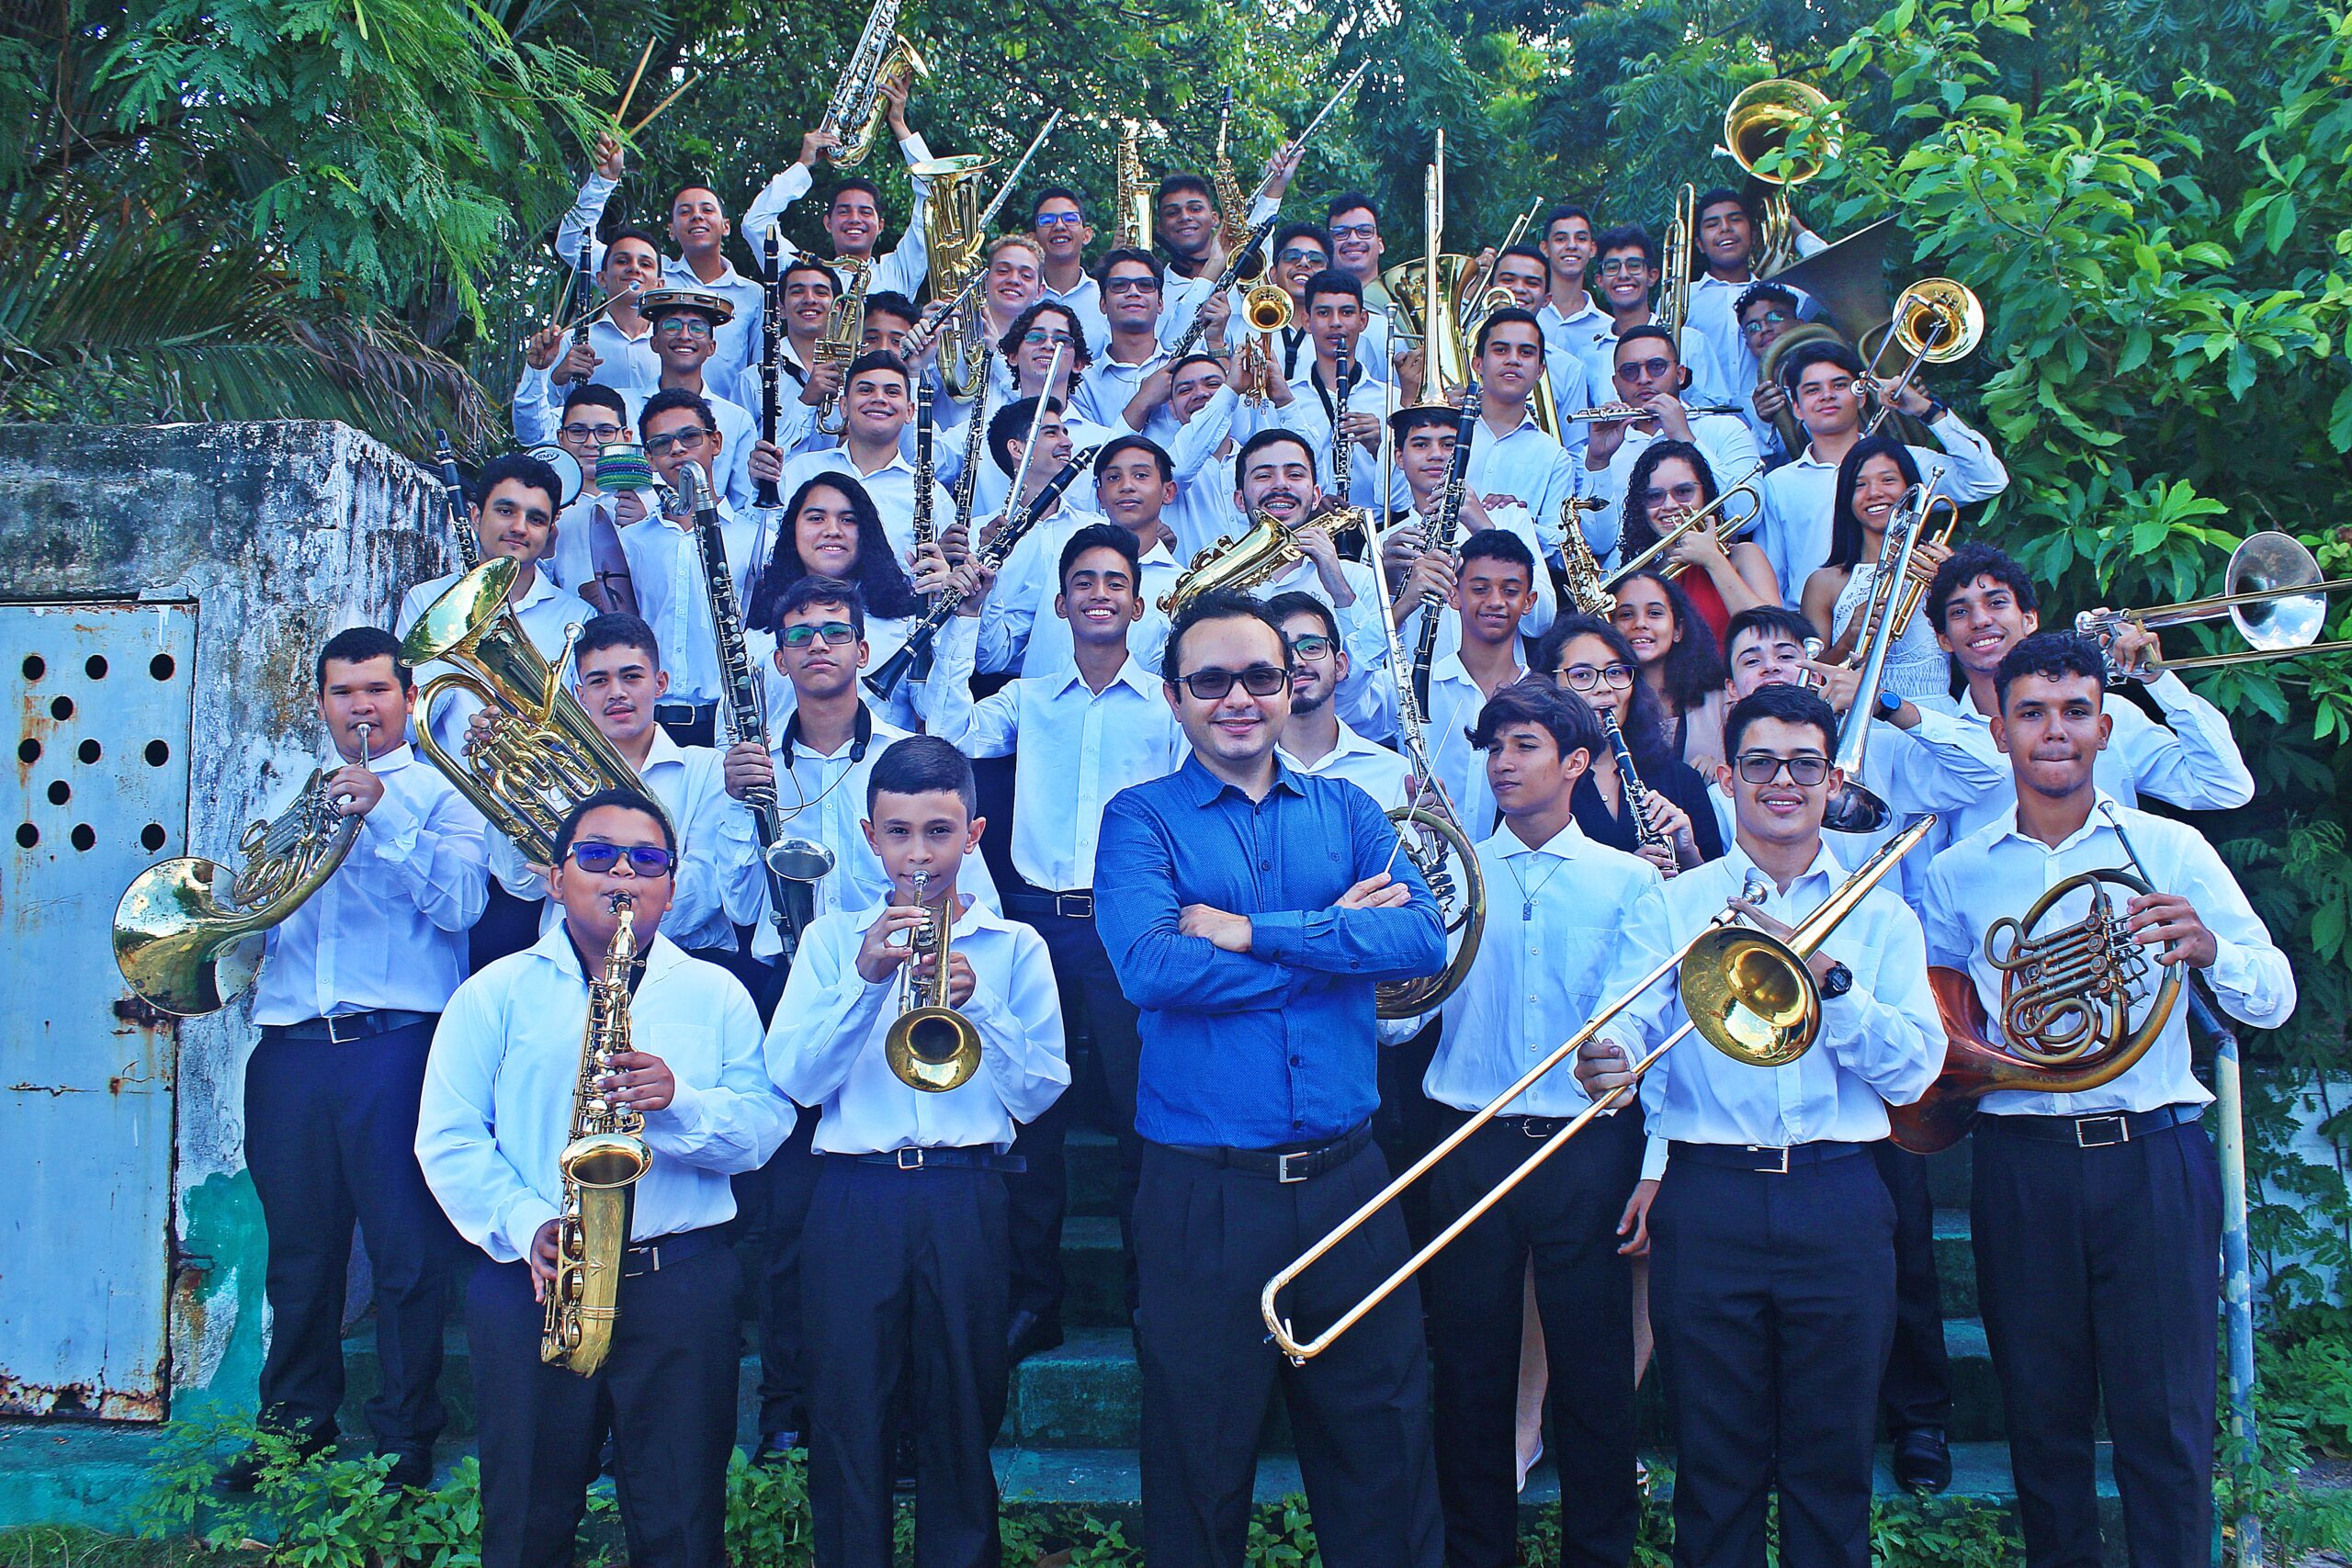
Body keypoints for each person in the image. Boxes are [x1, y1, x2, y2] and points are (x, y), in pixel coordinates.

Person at [1921, 631, 2295, 1568]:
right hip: (2020, 1164)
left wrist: (2209, 949)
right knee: (2039, 1424)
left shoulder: (2168, 847)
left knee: (2164, 1424)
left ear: (2103, 725)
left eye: (2076, 711)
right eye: (2033, 713)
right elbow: (1941, 1023)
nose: (2056, 732)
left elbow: (2276, 992)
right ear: (2000, 729)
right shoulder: (1956, 873)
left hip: (2152, 1156)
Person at [1093, 589, 1445, 1568]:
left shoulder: (1347, 807)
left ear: (1294, 687)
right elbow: (1151, 969)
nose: (1237, 697)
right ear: (1174, 698)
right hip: (1204, 1194)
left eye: (1260, 674)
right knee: (1198, 1467)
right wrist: (1337, 942)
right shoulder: (1140, 820)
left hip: (1348, 1184)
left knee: (1381, 1452)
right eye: (1211, 680)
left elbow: (1417, 935)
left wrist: (1253, 931)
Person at [1576, 682, 1942, 1568]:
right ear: (1728, 777)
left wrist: (1831, 985)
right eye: (1762, 763)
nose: (1784, 780)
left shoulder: (1880, 913)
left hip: (1840, 1196)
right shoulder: (1674, 903)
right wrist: (1608, 1055)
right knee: (1715, 1462)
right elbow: (1623, 1014)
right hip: (1709, 1198)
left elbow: (1920, 1070)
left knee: (1833, 1463)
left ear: (1832, 778)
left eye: (1805, 764)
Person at [416, 786, 789, 1568]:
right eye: (597, 856)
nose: (623, 874)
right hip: (535, 1279)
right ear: (556, 878)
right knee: (523, 1523)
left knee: (685, 1526)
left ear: (671, 885)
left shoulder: (717, 993)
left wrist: (678, 1102)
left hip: (679, 1281)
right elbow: (446, 1139)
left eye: (647, 860)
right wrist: (527, 1225)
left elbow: (763, 1130)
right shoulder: (494, 991)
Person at [767, 737, 1069, 1568]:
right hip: (854, 1196)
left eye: (938, 833)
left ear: (972, 833)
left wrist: (988, 1013)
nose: (918, 855)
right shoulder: (831, 941)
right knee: (847, 1417)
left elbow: (1042, 1092)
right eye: (899, 833)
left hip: (968, 1192)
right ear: (870, 836)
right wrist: (865, 980)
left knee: (962, 1415)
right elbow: (794, 1080)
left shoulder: (1017, 948)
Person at [718, 576, 997, 1464]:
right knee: (794, 1215)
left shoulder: (911, 754)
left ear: (865, 650)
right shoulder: (755, 760)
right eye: (799, 633)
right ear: (780, 656)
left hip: (900, 979)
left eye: (836, 630)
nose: (818, 645)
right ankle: (791, 1401)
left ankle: (918, 1418)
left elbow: (969, 892)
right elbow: (729, 898)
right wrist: (737, 807)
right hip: (793, 979)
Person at [217, 627, 488, 1495]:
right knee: (300, 1254)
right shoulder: (296, 794)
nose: (360, 707)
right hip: (290, 1052)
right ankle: (292, 1425)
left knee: (407, 1255)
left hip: (395, 1048)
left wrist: (388, 812)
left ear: (407, 696)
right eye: (343, 692)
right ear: (322, 703)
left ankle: (405, 1437)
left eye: (376, 689)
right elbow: (251, 915)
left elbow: (463, 906)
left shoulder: (446, 790)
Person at [1417, 679, 1662, 1568]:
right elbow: (1405, 1017)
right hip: (1467, 1138)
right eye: (1494, 748)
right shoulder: (1455, 874)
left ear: (1576, 763)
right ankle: (1476, 1553)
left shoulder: (1630, 880)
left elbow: (1641, 1005)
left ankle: (1599, 1554)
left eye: (1523, 746)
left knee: (1594, 1374)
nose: (1502, 764)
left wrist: (1621, 1053)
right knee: (1471, 1370)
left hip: (1581, 1146)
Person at [928, 523, 1186, 1360]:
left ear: (1139, 603)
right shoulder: (1029, 699)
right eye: (1084, 581)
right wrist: (964, 619)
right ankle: (1034, 1301)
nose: (1100, 593)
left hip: (1129, 926)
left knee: (1142, 1117)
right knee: (1028, 1113)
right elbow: (946, 732)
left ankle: (1157, 1297)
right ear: (1063, 599)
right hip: (1036, 921)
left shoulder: (1168, 704)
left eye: (1116, 580)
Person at [1922, 541, 2257, 844]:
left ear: (2029, 620)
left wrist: (2158, 679)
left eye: (1996, 603)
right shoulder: (1930, 738)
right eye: (1960, 612)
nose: (1980, 620)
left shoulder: (2110, 715)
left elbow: (2224, 787)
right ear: (1944, 640)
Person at [474, 614, 740, 968]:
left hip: (681, 962)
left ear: (660, 683)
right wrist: (502, 779)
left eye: (631, 677)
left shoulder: (707, 769)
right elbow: (519, 882)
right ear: (580, 695)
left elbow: (704, 888)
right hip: (571, 969)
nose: (617, 692)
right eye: (599, 681)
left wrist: (581, 894)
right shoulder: (546, 770)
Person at [1757, 339, 2007, 604]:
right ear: (1796, 407)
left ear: (1862, 396)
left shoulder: (1907, 460)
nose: (1827, 395)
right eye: (1812, 390)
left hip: (1902, 611)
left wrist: (1926, 410)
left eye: (1839, 385)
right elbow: (1772, 574)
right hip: (1815, 626)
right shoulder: (1778, 483)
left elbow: (1987, 480)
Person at [556, 134, 764, 404]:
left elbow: (758, 372)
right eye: (685, 212)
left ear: (726, 225)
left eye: (707, 210)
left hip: (725, 427)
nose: (697, 216)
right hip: (656, 421)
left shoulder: (753, 294)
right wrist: (603, 181)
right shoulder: (648, 274)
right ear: (672, 231)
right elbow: (574, 244)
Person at [616, 389, 763, 747]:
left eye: (689, 437)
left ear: (715, 442)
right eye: (662, 444)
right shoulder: (631, 542)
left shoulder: (756, 536)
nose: (677, 450)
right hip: (649, 722)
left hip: (727, 722)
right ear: (649, 458)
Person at [972, 434, 1182, 681]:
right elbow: (994, 656)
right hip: (1041, 718)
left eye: (1141, 475)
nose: (1126, 486)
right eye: (1114, 477)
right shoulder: (1062, 564)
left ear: (1168, 492)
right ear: (1100, 496)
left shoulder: (1181, 585)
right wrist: (989, 572)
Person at [1382, 527, 1546, 837]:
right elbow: (1349, 699)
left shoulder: (1546, 701)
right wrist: (1403, 606)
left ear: (1529, 601)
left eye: (1510, 591)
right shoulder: (1411, 687)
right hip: (1428, 867)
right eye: (1480, 589)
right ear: (1453, 595)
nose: (1496, 601)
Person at [1374, 404, 1556, 672]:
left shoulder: (1509, 519)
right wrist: (1392, 586)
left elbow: (1541, 621)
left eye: (1449, 445)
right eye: (1421, 445)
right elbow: (1374, 648)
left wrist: (1484, 529)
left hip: (1502, 698)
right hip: (1420, 700)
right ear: (1399, 457)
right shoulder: (1384, 543)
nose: (1436, 455)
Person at [1534, 615, 1722, 872]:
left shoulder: (1681, 780)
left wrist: (1687, 852)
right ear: (1550, 686)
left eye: (1615, 672)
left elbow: (1715, 895)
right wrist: (1629, 875)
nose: (1604, 687)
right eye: (1582, 675)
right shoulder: (1536, 784)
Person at [742, 474, 930, 731]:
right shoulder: (758, 628)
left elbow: (935, 717)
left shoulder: (905, 624)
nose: (832, 530)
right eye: (816, 518)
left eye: (848, 520)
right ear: (793, 529)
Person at [1400, 307, 1582, 566]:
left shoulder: (1554, 456)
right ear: (1477, 364)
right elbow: (1396, 497)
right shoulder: (1442, 436)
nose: (1513, 360)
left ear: (1541, 369)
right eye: (1500, 350)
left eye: (1526, 352)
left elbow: (1558, 545)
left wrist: (1517, 522)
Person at [1578, 327, 1761, 566]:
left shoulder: (1726, 429)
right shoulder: (1601, 447)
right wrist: (1598, 462)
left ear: (1681, 374)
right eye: (1630, 371)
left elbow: (1746, 514)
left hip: (1710, 575)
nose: (1643, 379)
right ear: (1616, 383)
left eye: (1656, 366)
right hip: (1631, 586)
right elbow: (1598, 543)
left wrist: (1684, 437)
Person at [760, 349, 957, 563]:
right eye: (866, 390)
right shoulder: (801, 471)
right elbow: (766, 551)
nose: (879, 399)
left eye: (892, 392)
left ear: (910, 411)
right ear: (843, 406)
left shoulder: (934, 495)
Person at [1798, 435, 1953, 701]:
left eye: (1888, 480)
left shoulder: (1940, 566)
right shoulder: (1824, 582)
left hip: (1936, 718)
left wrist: (1953, 581)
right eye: (1860, 485)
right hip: (1859, 720)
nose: (1874, 493)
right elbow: (1811, 681)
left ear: (1910, 486)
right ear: (1846, 499)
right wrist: (1849, 639)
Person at [744, 86, 937, 299]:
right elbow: (755, 223)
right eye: (844, 211)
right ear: (828, 223)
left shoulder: (899, 270)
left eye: (865, 212)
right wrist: (803, 164)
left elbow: (933, 198)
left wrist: (898, 123)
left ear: (880, 225)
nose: (854, 219)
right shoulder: (803, 273)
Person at [1613, 439, 1779, 638]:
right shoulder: (1644, 576)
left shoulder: (1743, 556)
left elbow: (1775, 632)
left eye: (1683, 492)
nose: (1669, 505)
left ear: (1705, 494)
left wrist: (1713, 560)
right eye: (1654, 496)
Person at [512, 226, 662, 443]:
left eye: (645, 264)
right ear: (601, 279)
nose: (634, 268)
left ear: (659, 284)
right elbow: (530, 433)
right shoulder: (566, 342)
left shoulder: (675, 347)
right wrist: (554, 376)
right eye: (622, 261)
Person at [618, 288, 760, 512]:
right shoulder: (622, 406)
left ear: (711, 347)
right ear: (654, 342)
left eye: (697, 328)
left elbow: (743, 503)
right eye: (672, 326)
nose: (684, 335)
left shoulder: (737, 419)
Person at [1270, 590, 1410, 807]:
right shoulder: (1235, 771)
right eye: (1281, 652)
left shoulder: (1397, 775)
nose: (1296, 661)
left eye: (1311, 647)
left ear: (1340, 666)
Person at [1685, 188, 1822, 408]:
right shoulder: (1682, 298)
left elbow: (1827, 270)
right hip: (1703, 427)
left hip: (1774, 425)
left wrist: (1792, 229)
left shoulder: (1781, 294)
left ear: (1754, 234)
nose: (1725, 228)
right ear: (1699, 244)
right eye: (1712, 224)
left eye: (1735, 220)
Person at [1581, 224, 1735, 409]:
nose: (1623, 275)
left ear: (1653, 276)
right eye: (1612, 267)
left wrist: (1683, 385)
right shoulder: (1588, 356)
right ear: (1599, 281)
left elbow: (1721, 409)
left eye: (1634, 266)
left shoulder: (1690, 341)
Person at [1611, 566, 1730, 772]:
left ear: (1678, 630)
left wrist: (1723, 770)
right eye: (1626, 615)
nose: (1640, 623)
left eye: (1655, 613)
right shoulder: (1602, 699)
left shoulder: (1722, 701)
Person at [543, 383, 639, 613]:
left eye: (605, 431)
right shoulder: (545, 506)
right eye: (578, 431)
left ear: (626, 437)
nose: (592, 442)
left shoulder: (651, 500)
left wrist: (644, 529)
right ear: (561, 437)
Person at [1536, 205, 1607, 415]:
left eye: (1581, 239)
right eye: (1561, 239)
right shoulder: (1529, 318)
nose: (1571, 246)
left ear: (1592, 249)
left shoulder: (1609, 328)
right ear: (1545, 248)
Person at [1031, 187, 1107, 347]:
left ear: (1086, 235)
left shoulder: (1105, 298)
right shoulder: (1022, 297)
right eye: (1047, 220)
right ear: (1033, 239)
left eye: (1070, 219)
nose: (1059, 226)